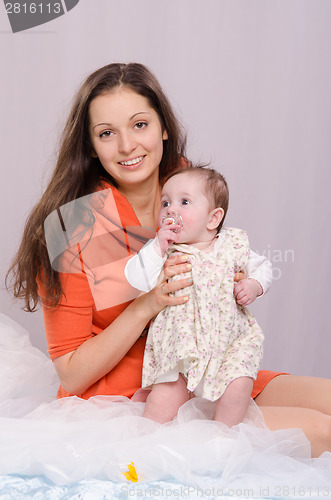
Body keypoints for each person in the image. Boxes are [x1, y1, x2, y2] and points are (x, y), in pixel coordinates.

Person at [6, 62, 331, 458]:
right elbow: (72, 374)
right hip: (136, 396)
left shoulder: (185, 186)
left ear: (163, 127)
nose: (127, 146)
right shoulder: (71, 226)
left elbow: (220, 258)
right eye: (107, 133)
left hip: (210, 368)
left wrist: (233, 277)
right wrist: (148, 303)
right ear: (91, 147)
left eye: (140, 125)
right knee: (322, 432)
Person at [125, 166, 272, 426]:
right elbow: (136, 278)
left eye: (184, 202)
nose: (171, 209)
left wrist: (253, 284)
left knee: (239, 385)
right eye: (166, 202)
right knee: (163, 401)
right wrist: (157, 247)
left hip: (229, 344)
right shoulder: (165, 251)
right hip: (181, 346)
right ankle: (143, 446)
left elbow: (264, 267)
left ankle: (221, 440)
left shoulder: (232, 245)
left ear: (213, 219)